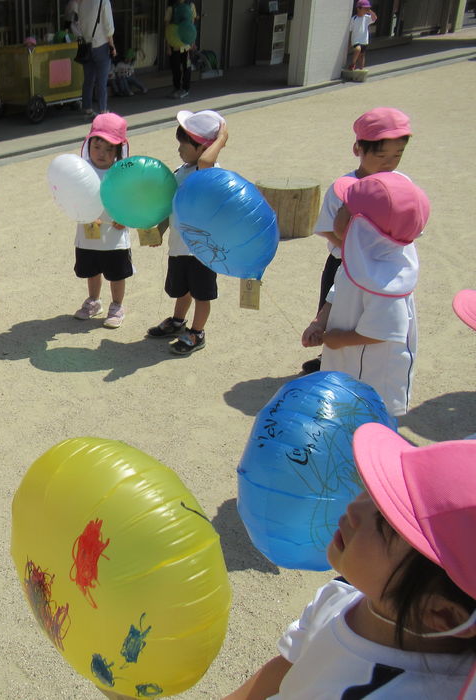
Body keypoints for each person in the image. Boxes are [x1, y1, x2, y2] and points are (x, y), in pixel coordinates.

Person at [226, 424, 476, 699]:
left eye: (387, 525)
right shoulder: (343, 593)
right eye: (375, 493)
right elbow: (287, 668)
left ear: (441, 614)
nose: (355, 509)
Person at [301, 172, 429, 417]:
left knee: (366, 419)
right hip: (347, 360)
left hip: (374, 374)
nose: (337, 212)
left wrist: (337, 339)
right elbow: (338, 289)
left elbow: (383, 330)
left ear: (360, 225)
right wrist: (320, 321)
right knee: (342, 409)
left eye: (343, 208)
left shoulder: (388, 279)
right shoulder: (361, 254)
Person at [301, 107, 412, 375]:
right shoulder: (344, 186)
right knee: (334, 312)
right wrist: (353, 250)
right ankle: (328, 354)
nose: (389, 162)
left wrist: (370, 254)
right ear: (358, 149)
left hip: (381, 265)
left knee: (373, 318)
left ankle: (354, 357)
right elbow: (328, 229)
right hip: (343, 262)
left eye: (397, 155)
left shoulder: (401, 184)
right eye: (381, 155)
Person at [146, 110, 227, 355]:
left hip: (203, 250)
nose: (179, 149)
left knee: (202, 294)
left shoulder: (208, 171)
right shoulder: (181, 170)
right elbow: (170, 206)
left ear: (204, 148)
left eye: (184, 145)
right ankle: (178, 321)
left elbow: (206, 161)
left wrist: (221, 138)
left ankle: (197, 333)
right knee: (182, 289)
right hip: (179, 246)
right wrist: (159, 230)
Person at [72, 113, 132, 329]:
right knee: (92, 271)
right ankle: (93, 301)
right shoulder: (82, 171)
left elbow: (132, 201)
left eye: (109, 149)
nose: (101, 153)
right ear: (88, 144)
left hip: (115, 237)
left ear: (118, 151)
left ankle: (117, 306)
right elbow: (73, 199)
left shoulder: (122, 174)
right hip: (88, 235)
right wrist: (83, 213)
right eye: (97, 147)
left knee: (117, 274)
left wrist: (124, 219)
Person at [76, 0, 116, 116]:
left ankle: (87, 108)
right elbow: (109, 27)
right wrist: (112, 46)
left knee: (88, 80)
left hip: (87, 46)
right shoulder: (104, 1)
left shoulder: (82, 3)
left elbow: (79, 25)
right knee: (101, 81)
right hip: (101, 45)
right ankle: (103, 109)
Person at [165, 0, 198, 99]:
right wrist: (168, 46)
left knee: (187, 67)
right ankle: (176, 87)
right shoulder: (171, 8)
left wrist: (193, 42)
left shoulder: (191, 5)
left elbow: (192, 24)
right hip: (174, 43)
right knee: (175, 67)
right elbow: (167, 27)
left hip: (187, 44)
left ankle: (185, 89)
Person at [348, 0, 378, 70]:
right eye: (365, 8)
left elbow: (375, 18)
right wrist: (349, 41)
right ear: (358, 8)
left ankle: (361, 68)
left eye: (367, 8)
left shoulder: (367, 17)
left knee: (362, 55)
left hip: (364, 40)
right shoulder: (354, 19)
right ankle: (353, 63)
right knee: (358, 49)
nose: (366, 10)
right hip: (356, 39)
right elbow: (350, 30)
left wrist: (370, 11)